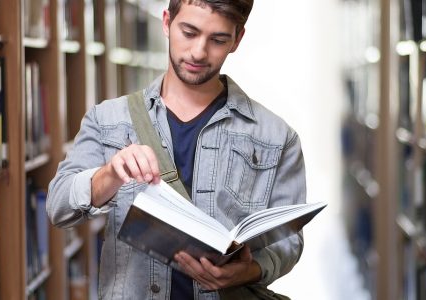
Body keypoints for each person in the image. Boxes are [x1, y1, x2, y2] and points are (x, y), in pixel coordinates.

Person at [47, 0, 307, 299]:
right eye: (189, 32)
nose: (199, 51)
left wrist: (249, 271)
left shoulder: (277, 137)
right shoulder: (108, 120)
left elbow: (288, 242)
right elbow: (59, 208)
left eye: (218, 40)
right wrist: (110, 174)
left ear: (238, 39)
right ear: (167, 22)